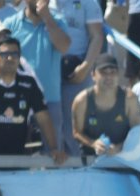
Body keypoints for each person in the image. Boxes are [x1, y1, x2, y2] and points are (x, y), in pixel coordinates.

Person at [0, 36, 67, 162]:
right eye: (5, 54)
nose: (10, 58)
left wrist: (53, 148)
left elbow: (43, 117)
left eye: (14, 54)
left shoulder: (29, 83)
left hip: (17, 159)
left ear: (19, 57)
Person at [4, 0, 72, 155]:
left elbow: (64, 47)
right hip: (17, 98)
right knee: (15, 150)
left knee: (54, 153)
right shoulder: (10, 23)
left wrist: (48, 19)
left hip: (50, 99)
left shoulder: (58, 20)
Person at [53, 0, 104, 155]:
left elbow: (97, 36)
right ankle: (51, 163)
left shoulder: (89, 2)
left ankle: (78, 164)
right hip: (48, 67)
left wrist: (86, 67)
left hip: (77, 68)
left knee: (75, 122)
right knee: (52, 120)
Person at [71, 53, 140, 155]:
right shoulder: (81, 101)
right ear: (93, 75)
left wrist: (119, 147)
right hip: (91, 159)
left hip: (124, 158)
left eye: (113, 72)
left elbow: (137, 133)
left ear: (118, 75)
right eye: (103, 72)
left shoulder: (130, 99)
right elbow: (77, 132)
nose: (109, 76)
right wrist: (93, 144)